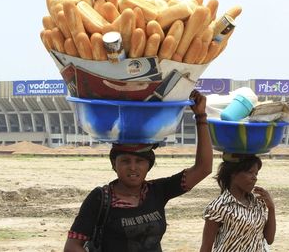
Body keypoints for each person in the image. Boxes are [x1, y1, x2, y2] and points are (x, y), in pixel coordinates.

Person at [64, 90, 212, 252]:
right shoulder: (100, 198)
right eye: (125, 161)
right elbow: (72, 247)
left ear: (149, 165)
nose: (133, 167)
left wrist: (201, 117)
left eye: (140, 161)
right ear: (114, 164)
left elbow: (203, 168)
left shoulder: (158, 191)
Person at [200, 153, 276, 252]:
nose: (255, 178)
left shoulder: (258, 202)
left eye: (256, 173)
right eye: (250, 172)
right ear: (233, 173)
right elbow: (206, 247)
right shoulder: (219, 207)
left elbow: (269, 239)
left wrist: (271, 208)